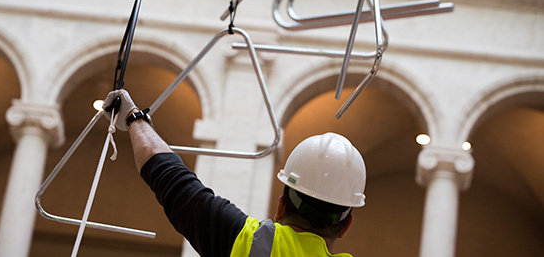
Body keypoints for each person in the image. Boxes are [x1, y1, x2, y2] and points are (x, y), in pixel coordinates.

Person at [103, 89, 367, 257]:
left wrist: (133, 118)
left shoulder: (249, 242)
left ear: (281, 206)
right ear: (345, 226)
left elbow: (172, 181)